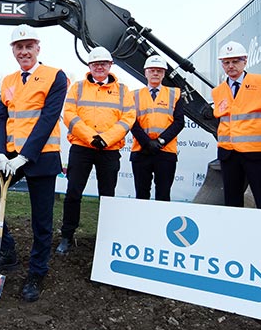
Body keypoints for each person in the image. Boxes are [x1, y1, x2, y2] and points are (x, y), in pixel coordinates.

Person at [0, 24, 68, 302]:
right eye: (19, 47)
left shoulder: (55, 76)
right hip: (9, 156)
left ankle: (37, 272)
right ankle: (7, 252)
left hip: (41, 156)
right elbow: (2, 118)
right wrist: (0, 153)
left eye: (29, 46)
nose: (24, 51)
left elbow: (48, 118)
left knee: (42, 220)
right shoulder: (9, 80)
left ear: (38, 48)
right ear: (13, 51)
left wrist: (25, 157)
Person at [55, 47, 135, 256]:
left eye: (104, 63)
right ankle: (67, 236)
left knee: (107, 196)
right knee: (73, 193)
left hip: (109, 150)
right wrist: (92, 137)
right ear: (89, 66)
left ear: (110, 65)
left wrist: (106, 139)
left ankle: (107, 237)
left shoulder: (123, 90)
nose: (99, 67)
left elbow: (128, 118)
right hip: (82, 148)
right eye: (95, 63)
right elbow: (69, 115)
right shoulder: (78, 88)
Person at [209, 41, 261, 210]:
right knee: (232, 202)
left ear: (245, 61)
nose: (230, 66)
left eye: (235, 61)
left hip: (257, 153)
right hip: (229, 155)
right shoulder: (218, 91)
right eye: (226, 62)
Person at [129, 55, 185, 201]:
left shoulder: (175, 94)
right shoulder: (133, 95)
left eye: (159, 71)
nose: (155, 73)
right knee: (141, 194)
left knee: (163, 194)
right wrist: (147, 142)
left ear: (164, 73)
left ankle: (160, 223)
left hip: (165, 152)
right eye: (152, 70)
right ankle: (142, 223)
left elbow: (179, 122)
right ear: (145, 72)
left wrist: (160, 141)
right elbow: (131, 121)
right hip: (141, 151)